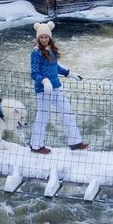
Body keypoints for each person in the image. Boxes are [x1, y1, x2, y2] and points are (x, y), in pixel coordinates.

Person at [29, 21, 88, 154]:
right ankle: (36, 146)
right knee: (43, 116)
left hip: (57, 86)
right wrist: (44, 81)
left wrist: (69, 73)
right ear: (38, 38)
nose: (44, 39)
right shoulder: (36, 52)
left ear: (50, 37)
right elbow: (34, 73)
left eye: (46, 37)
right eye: (41, 37)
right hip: (43, 89)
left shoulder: (52, 50)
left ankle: (75, 142)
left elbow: (56, 67)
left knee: (67, 112)